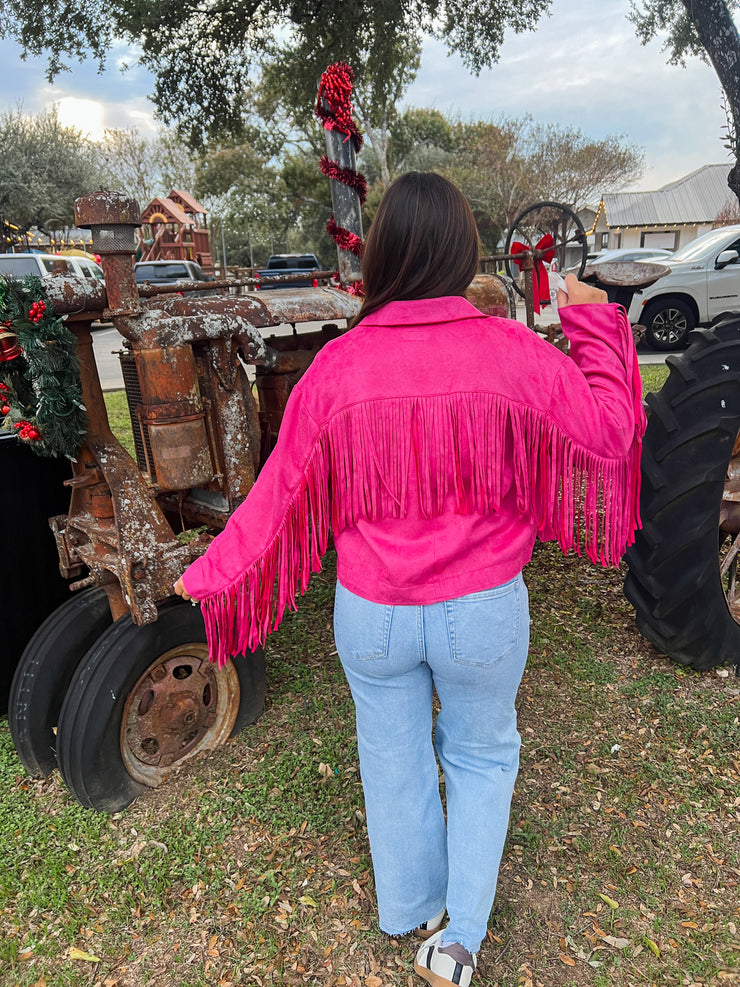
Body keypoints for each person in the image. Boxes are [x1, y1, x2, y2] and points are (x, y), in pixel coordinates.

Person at [175, 172, 644, 987]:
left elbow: (279, 488)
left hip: (374, 615)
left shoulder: (337, 365)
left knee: (389, 754)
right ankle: (458, 941)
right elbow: (610, 432)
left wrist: (215, 571)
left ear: (383, 252)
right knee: (480, 756)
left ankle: (409, 907)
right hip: (482, 612)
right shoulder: (511, 350)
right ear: (463, 253)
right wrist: (596, 317)